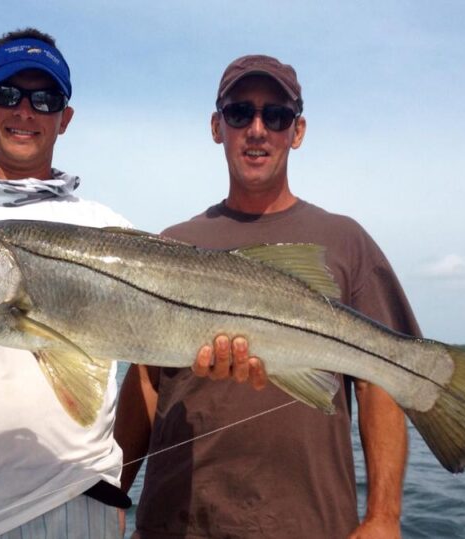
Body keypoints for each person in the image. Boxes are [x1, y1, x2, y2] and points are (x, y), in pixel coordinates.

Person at [0, 28, 259, 539]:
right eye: (7, 93)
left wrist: (216, 353)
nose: (25, 111)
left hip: (79, 498)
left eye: (44, 99)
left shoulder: (107, 225)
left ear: (64, 119)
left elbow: (143, 351)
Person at [115, 55, 421, 539]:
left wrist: (384, 517)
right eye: (240, 113)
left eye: (275, 116)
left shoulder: (345, 241)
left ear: (297, 131)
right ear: (217, 127)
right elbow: (146, 380)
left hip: (310, 525)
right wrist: (115, 491)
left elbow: (380, 380)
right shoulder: (170, 243)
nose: (257, 129)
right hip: (175, 525)